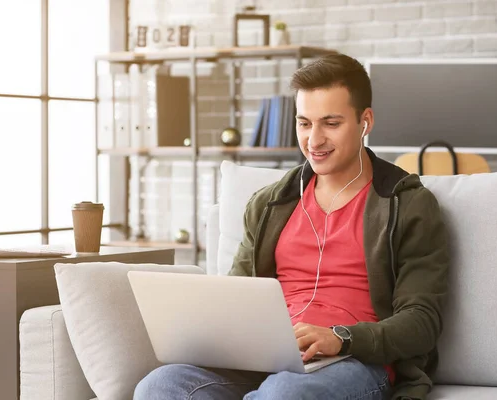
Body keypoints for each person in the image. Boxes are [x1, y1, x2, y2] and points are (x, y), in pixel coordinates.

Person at [134, 52, 449, 400]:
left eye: (331, 123)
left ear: (365, 121)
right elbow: (235, 297)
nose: (314, 141)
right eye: (304, 123)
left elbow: (422, 321)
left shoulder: (407, 204)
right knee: (159, 386)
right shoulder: (269, 203)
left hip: (352, 362)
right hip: (264, 358)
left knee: (281, 394)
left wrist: (342, 338)